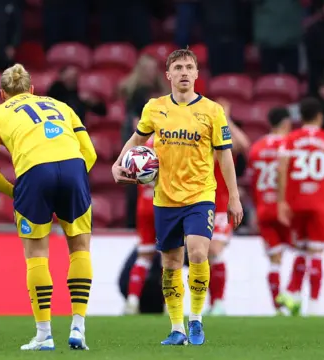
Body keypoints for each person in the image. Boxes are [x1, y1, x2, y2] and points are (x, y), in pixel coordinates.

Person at [111, 48, 243, 346]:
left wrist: (233, 197)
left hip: (200, 195)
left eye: (189, 67)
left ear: (196, 74)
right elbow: (137, 139)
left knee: (197, 253)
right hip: (165, 198)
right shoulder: (154, 108)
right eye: (178, 68)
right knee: (170, 264)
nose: (184, 72)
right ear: (168, 75)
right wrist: (119, 162)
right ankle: (177, 327)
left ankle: (195, 318)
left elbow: (225, 157)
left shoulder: (212, 111)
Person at [0, 63, 97, 351]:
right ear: (32, 89)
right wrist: (75, 179)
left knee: (37, 256)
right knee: (80, 249)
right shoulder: (61, 105)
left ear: (3, 94)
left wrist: (14, 192)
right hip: (73, 168)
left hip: (34, 173)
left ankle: (44, 335)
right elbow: (89, 153)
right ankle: (78, 328)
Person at [276, 97, 324, 316]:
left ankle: (292, 294)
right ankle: (314, 304)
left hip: (296, 203)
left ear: (300, 117)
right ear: (320, 116)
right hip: (322, 204)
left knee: (301, 249)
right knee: (317, 254)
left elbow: (281, 170)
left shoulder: (290, 139)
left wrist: (282, 201)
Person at [247, 107, 292, 314]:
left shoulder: (257, 147)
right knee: (306, 251)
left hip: (264, 208)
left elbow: (252, 182)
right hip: (286, 209)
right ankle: (296, 296)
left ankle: (278, 306)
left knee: (275, 260)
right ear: (286, 124)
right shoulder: (289, 145)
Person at [207, 99, 251, 316]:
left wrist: (227, 120)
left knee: (214, 251)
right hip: (201, 203)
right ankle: (212, 302)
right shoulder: (203, 141)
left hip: (222, 207)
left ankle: (219, 303)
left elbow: (244, 144)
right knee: (203, 255)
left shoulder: (224, 143)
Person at [124, 136, 156, 314]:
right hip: (163, 204)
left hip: (144, 203)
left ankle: (132, 300)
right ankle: (171, 304)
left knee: (144, 256)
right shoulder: (169, 140)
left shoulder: (141, 145)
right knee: (170, 255)